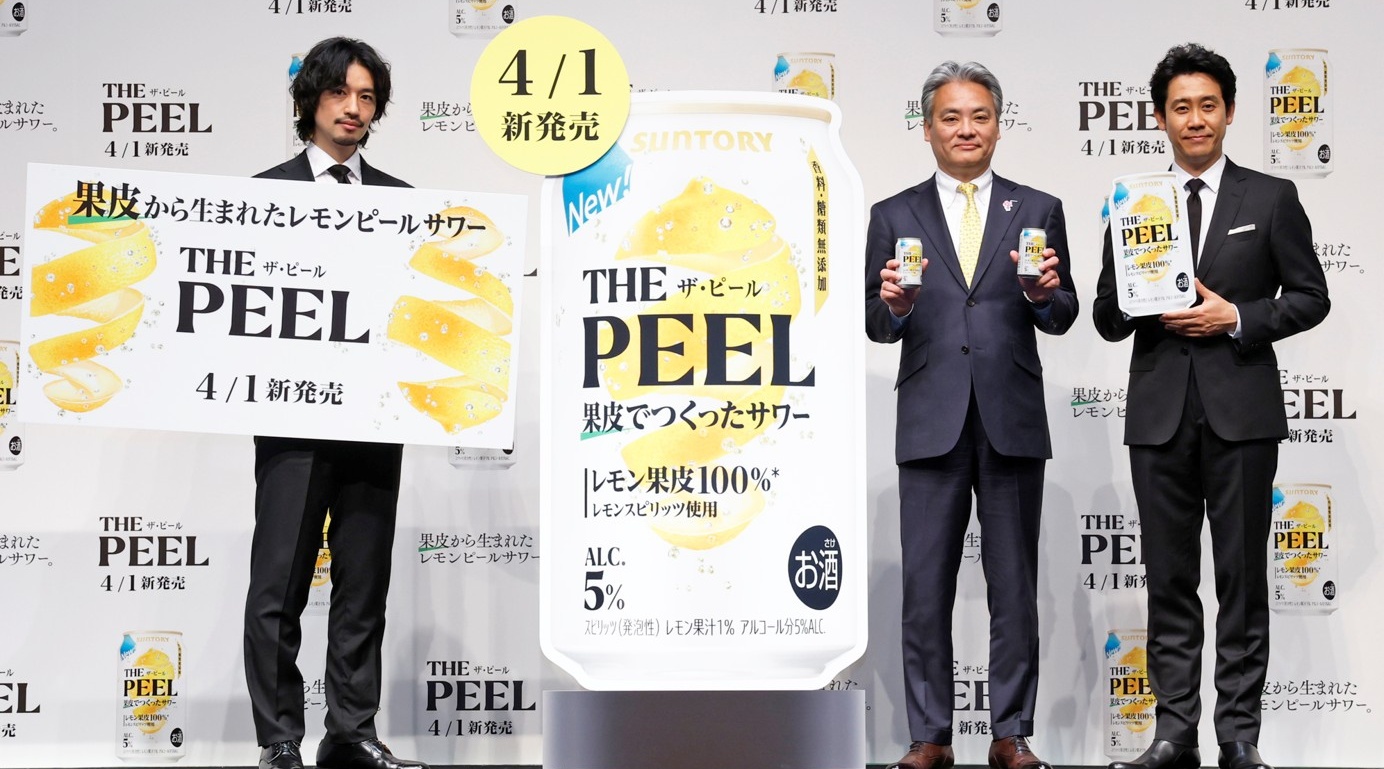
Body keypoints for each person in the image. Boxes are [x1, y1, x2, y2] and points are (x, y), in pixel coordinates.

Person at [1093, 43, 1329, 769]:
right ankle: (1173, 733)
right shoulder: (1132, 201)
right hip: (1158, 413)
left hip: (1242, 412)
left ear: (1228, 112)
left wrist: (1238, 317)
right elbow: (1105, 315)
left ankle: (1239, 735)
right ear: (1159, 118)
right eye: (1180, 108)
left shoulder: (1271, 197)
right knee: (1168, 580)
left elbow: (1311, 297)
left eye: (1207, 105)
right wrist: (1140, 297)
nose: (1194, 119)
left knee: (1242, 579)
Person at [865, 60, 1076, 769]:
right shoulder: (892, 214)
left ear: (998, 126)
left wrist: (1043, 295)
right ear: (926, 128)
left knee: (1014, 586)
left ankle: (1010, 731)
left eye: (979, 116)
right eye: (950, 117)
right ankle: (930, 734)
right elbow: (875, 321)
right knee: (925, 587)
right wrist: (895, 307)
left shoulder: (1038, 207)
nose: (966, 129)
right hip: (931, 417)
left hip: (1011, 415)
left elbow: (1064, 310)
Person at [244, 37, 427, 769]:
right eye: (340, 93)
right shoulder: (262, 196)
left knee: (363, 581)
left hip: (375, 418)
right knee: (279, 581)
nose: (354, 109)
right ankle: (280, 739)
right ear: (310, 100)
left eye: (367, 97)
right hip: (292, 418)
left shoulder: (404, 203)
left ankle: (350, 730)